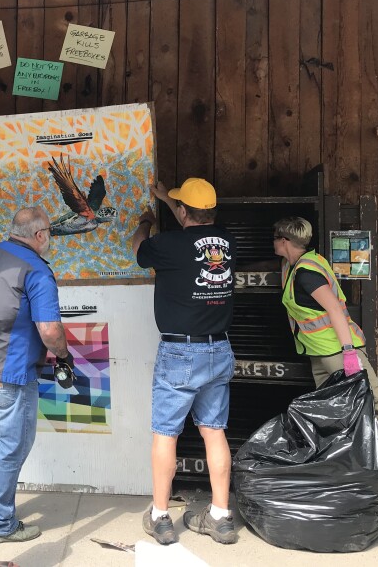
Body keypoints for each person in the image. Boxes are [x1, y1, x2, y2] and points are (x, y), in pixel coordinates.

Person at [273, 216, 378, 511]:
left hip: (339, 354)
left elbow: (336, 313)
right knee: (332, 417)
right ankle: (340, 479)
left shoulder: (306, 274)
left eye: (275, 238)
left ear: (285, 241)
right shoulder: (296, 265)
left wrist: (349, 354)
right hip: (320, 355)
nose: (273, 242)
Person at [132, 178, 238, 545]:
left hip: (180, 353)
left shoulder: (167, 245)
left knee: (166, 433)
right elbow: (198, 234)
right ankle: (221, 517)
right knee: (214, 431)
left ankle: (161, 517)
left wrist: (146, 220)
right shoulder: (226, 241)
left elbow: (139, 250)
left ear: (182, 212)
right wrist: (168, 199)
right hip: (220, 349)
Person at [0, 207, 72, 544]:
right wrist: (63, 354)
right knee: (12, 447)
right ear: (40, 235)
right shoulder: (36, 271)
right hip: (11, 374)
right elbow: (49, 330)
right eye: (50, 235)